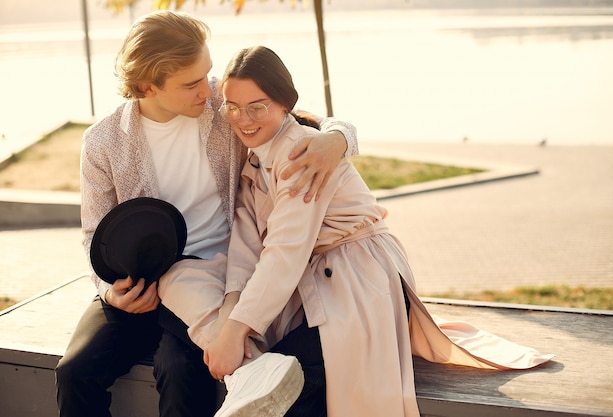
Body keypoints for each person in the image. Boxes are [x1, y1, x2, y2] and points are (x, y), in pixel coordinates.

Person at [190, 45, 554, 417]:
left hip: (360, 277)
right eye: (232, 107)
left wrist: (235, 333)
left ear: (285, 103)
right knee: (277, 380)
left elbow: (284, 252)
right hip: (316, 280)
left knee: (289, 384)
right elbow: (246, 251)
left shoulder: (303, 153)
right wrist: (227, 324)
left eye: (257, 106)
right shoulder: (255, 157)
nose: (242, 118)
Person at [54, 11, 359, 417]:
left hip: (219, 273)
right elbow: (94, 233)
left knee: (181, 369)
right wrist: (111, 292)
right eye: (192, 83)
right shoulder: (103, 143)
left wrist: (338, 139)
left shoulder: (223, 104)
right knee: (74, 373)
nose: (208, 89)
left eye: (207, 74)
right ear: (148, 86)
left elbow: (303, 117)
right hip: (141, 284)